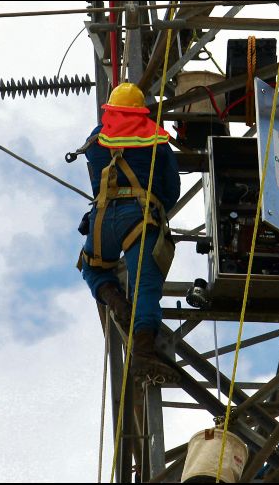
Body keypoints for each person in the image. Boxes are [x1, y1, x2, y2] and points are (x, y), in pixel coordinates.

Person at [79, 82, 180, 382]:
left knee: (92, 267)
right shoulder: (156, 139)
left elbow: (97, 179)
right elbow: (172, 189)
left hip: (102, 218)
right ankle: (143, 353)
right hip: (140, 217)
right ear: (140, 111)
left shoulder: (96, 138)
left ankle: (114, 300)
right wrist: (158, 207)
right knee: (144, 287)